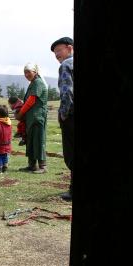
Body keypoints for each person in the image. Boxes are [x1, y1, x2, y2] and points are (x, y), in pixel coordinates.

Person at [51, 37, 74, 201]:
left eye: (59, 50)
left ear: (69, 48)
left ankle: (74, 190)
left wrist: (64, 114)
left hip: (72, 116)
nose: (57, 55)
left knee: (72, 153)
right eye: (55, 53)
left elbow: (67, 92)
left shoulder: (66, 65)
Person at [16, 63, 48, 174]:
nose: (26, 74)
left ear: (35, 72)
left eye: (29, 71)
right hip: (31, 118)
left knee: (38, 140)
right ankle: (32, 165)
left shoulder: (38, 83)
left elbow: (31, 100)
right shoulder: (33, 83)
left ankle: (43, 166)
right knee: (31, 140)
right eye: (25, 72)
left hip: (37, 117)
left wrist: (21, 113)